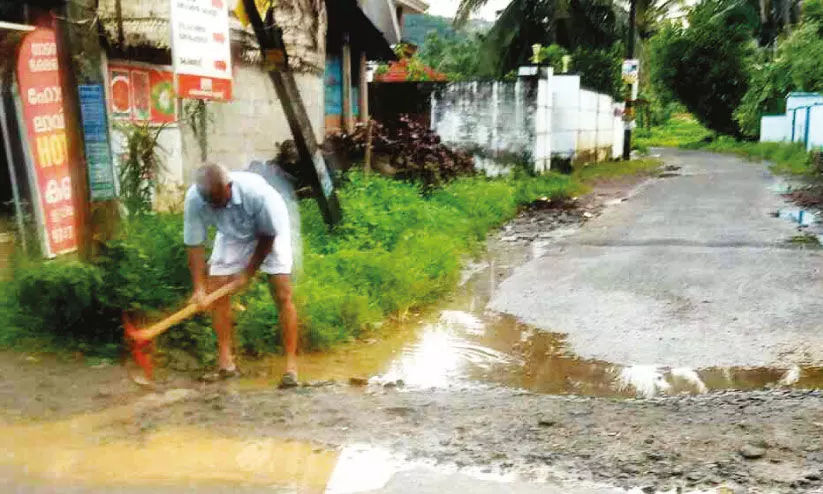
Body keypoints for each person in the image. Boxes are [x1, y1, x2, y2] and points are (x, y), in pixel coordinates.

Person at [183, 163, 299, 387]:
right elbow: (194, 244)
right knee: (216, 289)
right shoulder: (195, 198)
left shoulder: (257, 194)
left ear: (229, 186)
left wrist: (247, 273)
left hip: (270, 229)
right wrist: (199, 287)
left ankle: (291, 367)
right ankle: (226, 363)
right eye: (210, 203)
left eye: (219, 200)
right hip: (231, 231)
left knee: (282, 292)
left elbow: (267, 236)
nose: (215, 206)